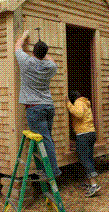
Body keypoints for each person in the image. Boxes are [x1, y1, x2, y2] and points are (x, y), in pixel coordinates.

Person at [15, 30, 61, 178]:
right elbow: (52, 61)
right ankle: (43, 170)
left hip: (35, 108)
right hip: (48, 106)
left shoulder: (27, 62)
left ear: (33, 52)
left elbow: (17, 47)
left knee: (44, 139)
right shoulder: (50, 67)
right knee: (45, 139)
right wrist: (43, 52)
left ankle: (52, 171)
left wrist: (24, 36)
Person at [66, 90, 100, 197]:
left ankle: (94, 184)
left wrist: (68, 104)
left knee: (84, 158)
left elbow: (79, 114)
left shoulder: (78, 102)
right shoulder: (85, 102)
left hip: (83, 134)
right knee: (89, 158)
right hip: (91, 133)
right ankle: (90, 183)